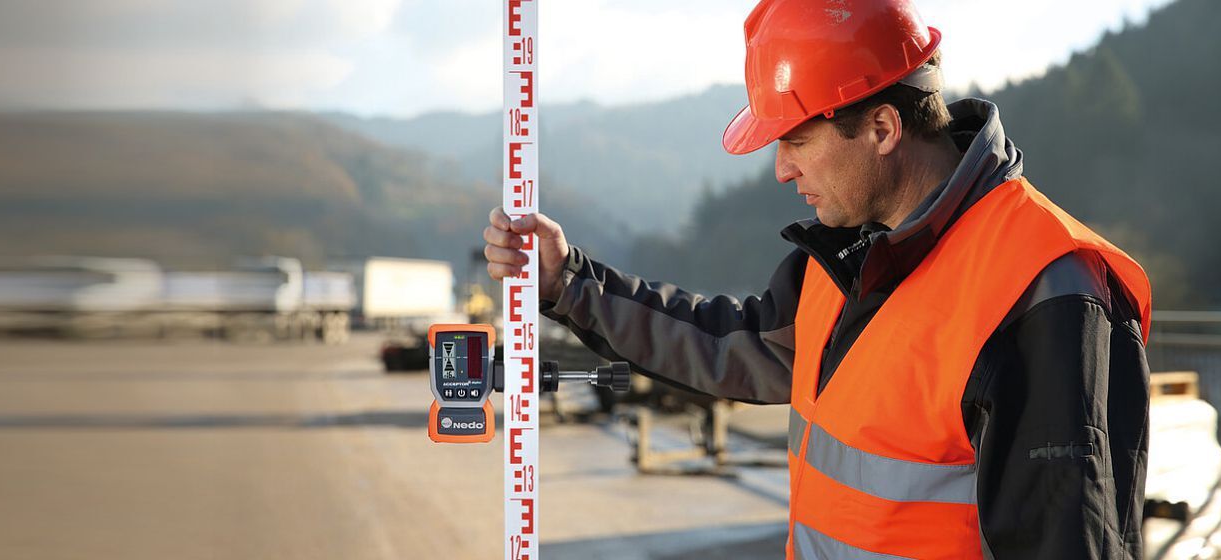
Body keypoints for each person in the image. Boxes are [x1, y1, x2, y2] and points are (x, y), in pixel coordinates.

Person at [481, 0, 1154, 558]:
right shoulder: (850, 257)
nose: (781, 170)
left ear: (884, 127)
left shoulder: (1047, 292)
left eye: (797, 140)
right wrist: (566, 282)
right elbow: (727, 345)